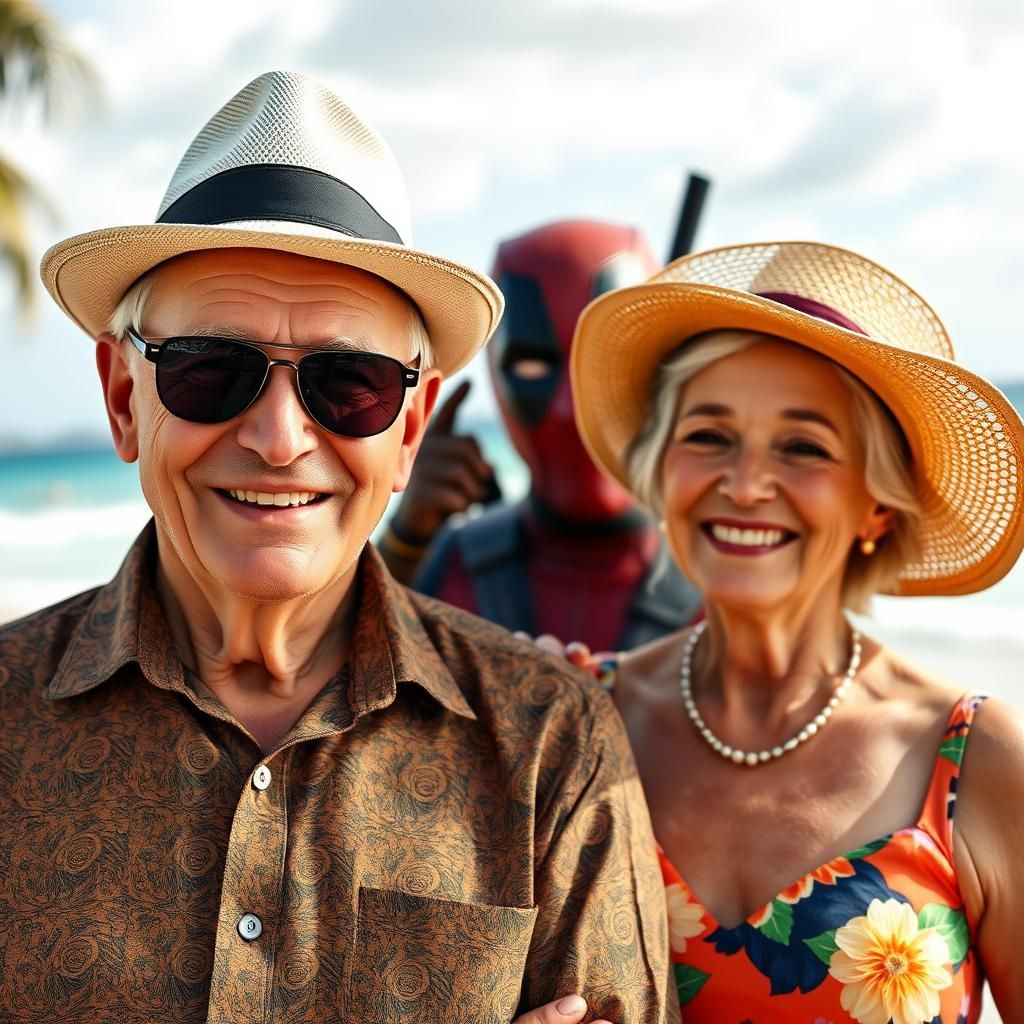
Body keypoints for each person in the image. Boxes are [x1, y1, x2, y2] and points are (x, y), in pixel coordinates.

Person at [0, 71, 672, 1024]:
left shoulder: (552, 748)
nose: (279, 437)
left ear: (407, 431)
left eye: (348, 383)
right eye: (209, 370)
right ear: (122, 398)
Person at [562, 241, 1024, 1020]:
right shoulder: (573, 723)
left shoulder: (977, 763)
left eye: (803, 447)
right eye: (708, 435)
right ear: (661, 468)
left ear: (878, 504)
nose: (743, 484)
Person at [379, 220, 700, 651]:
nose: (571, 408)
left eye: (604, 363)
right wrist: (406, 540)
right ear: (494, 368)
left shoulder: (725, 581)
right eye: (535, 366)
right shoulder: (452, 564)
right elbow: (323, 674)